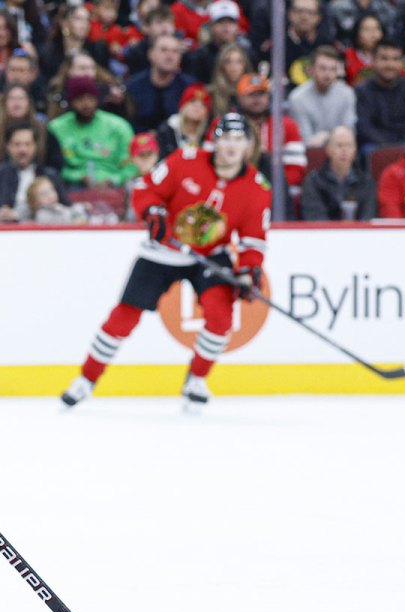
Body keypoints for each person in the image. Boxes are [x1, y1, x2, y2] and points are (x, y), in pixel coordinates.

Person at [61, 113, 271, 411]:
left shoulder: (256, 187)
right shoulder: (185, 160)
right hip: (162, 249)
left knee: (221, 316)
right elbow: (147, 190)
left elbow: (253, 238)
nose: (231, 146)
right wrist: (153, 213)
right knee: (124, 316)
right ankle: (86, 378)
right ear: (214, 141)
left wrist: (250, 269)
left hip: (209, 256)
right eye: (225, 138)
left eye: (239, 139)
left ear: (249, 145)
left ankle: (196, 379)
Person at [0, 122, 68, 221]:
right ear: (8, 146)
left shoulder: (50, 176)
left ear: (36, 146)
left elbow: (67, 209)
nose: (22, 150)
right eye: (17, 144)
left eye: (27, 144)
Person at [49, 75, 135, 187]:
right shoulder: (56, 128)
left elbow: (132, 164)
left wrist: (114, 179)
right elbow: (52, 167)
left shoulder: (119, 126)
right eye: (79, 99)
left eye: (90, 98)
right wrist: (77, 176)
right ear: (71, 101)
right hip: (72, 185)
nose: (86, 104)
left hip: (114, 184)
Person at [235, 73, 309, 188]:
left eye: (261, 94)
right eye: (251, 94)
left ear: (269, 96)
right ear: (239, 98)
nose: (257, 99)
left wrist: (269, 188)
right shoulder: (226, 124)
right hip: (235, 187)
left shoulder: (287, 126)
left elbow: (296, 169)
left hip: (275, 190)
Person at [355, 39, 405, 151]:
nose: (390, 65)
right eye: (384, 58)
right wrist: (387, 147)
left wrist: (402, 145)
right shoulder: (361, 91)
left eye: (395, 59)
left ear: (402, 63)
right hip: (374, 145)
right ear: (373, 60)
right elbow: (364, 127)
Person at [300, 125, 378, 219]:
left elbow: (368, 217)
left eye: (349, 145)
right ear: (328, 149)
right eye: (339, 145)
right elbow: (315, 218)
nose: (344, 151)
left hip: (359, 233)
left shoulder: (366, 181)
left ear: (355, 150)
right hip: (324, 233)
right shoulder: (314, 181)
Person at [289, 45, 358, 148]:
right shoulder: (297, 98)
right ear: (310, 70)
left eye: (333, 69)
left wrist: (325, 136)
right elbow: (306, 142)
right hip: (310, 155)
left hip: (341, 150)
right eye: (323, 68)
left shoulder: (347, 94)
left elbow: (349, 133)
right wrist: (334, 136)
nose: (328, 74)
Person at [124, 34, 193, 133]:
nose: (170, 56)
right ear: (151, 55)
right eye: (163, 50)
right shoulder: (132, 86)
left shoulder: (189, 87)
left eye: (175, 51)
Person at [154, 83, 212, 158]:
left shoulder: (209, 134)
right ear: (183, 106)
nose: (197, 108)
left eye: (203, 105)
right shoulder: (166, 131)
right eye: (192, 102)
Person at [344, 13, 385, 85]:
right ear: (357, 33)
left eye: (377, 28)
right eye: (367, 29)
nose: (373, 34)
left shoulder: (391, 57)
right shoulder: (347, 56)